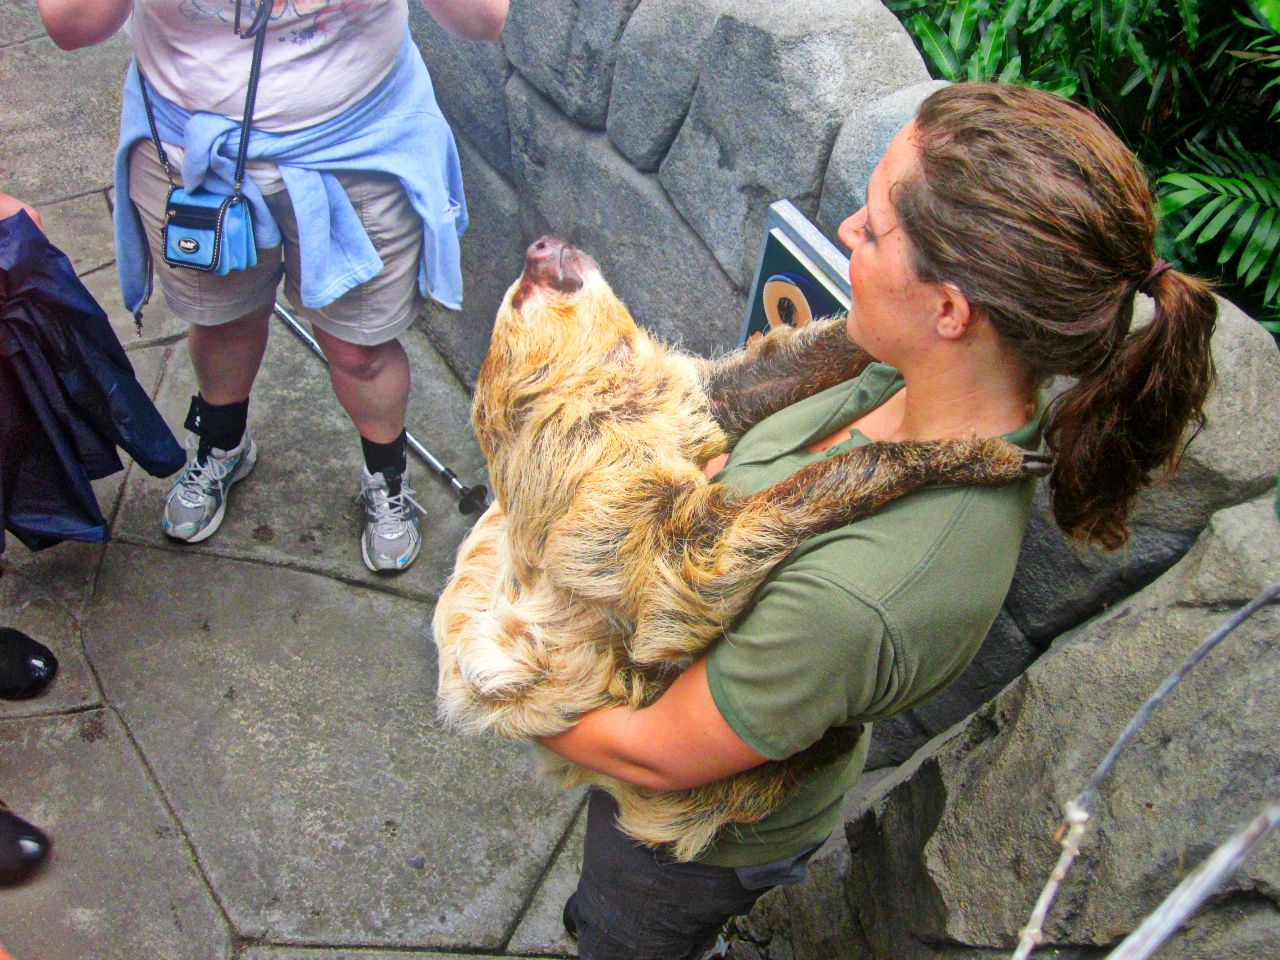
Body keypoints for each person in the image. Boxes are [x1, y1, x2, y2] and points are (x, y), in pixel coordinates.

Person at [537, 82, 1218, 960]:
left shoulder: (859, 594)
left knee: (621, 932)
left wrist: (505, 683)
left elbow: (654, 757)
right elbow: (747, 449)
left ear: (950, 311)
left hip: (693, 837)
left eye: (874, 225)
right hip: (734, 696)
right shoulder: (909, 375)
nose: (850, 233)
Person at [35, 0, 508, 572]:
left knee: (358, 347)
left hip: (357, 144)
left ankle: (386, 476)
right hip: (191, 150)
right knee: (221, 320)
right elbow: (71, 25)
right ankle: (222, 444)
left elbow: (483, 19)